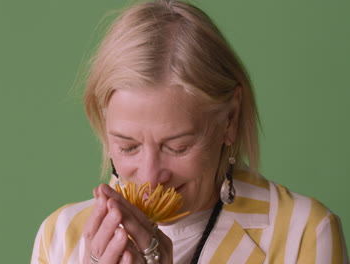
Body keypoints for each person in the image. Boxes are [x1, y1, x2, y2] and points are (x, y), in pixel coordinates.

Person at [31, 0, 348, 263]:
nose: (151, 178)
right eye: (128, 147)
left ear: (230, 119)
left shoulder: (304, 233)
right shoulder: (58, 238)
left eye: (177, 147)